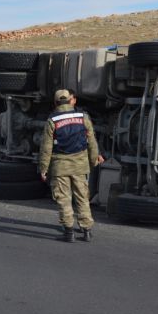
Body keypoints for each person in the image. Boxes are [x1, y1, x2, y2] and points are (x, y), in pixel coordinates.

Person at [39, 89, 104, 242]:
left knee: (63, 199)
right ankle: (86, 230)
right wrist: (94, 158)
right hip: (80, 165)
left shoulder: (52, 121)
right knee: (82, 197)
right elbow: (92, 141)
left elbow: (46, 148)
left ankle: (69, 232)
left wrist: (43, 169)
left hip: (60, 165)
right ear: (72, 100)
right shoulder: (83, 117)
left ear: (55, 103)